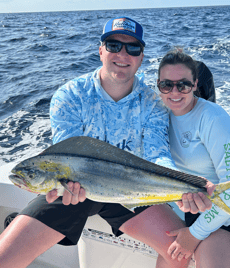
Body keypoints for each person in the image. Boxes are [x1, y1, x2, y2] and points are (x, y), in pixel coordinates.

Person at [0, 17, 213, 268]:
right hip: (72, 189)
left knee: (181, 252)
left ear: (141, 57)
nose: (122, 54)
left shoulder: (153, 102)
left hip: (130, 188)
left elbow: (158, 155)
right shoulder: (69, 95)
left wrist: (185, 185)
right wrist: (62, 185)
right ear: (100, 50)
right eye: (113, 45)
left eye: (132, 48)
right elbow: (64, 157)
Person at [157, 47, 230, 267]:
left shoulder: (212, 118)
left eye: (183, 84)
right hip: (208, 209)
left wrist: (194, 234)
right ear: (158, 86)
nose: (175, 92)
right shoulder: (157, 119)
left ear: (195, 84)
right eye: (166, 84)